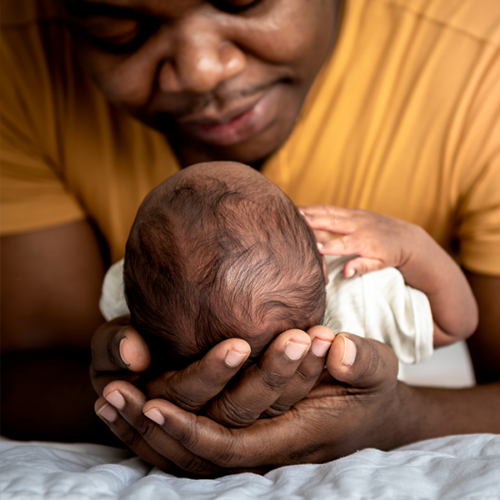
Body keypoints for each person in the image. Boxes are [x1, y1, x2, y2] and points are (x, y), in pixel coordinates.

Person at [1, 0, 499, 475]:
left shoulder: (482, 60)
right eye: (119, 28)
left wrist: (401, 419)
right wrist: (146, 404)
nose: (200, 70)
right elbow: (458, 319)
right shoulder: (355, 297)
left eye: (242, 0)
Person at [101, 161, 475, 373]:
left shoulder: (129, 295)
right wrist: (412, 245)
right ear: (323, 257)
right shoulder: (356, 296)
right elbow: (456, 323)